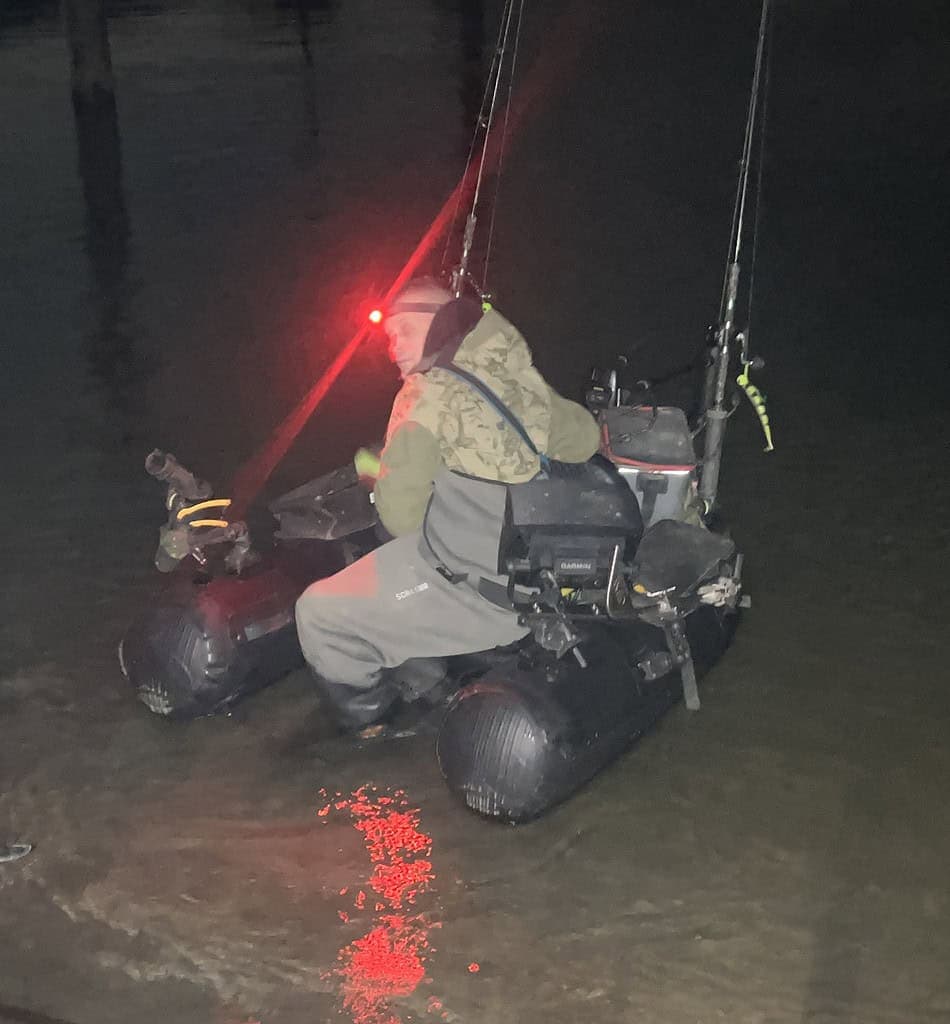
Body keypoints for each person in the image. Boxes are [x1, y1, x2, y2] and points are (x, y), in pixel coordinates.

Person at [294, 278, 600, 731]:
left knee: (318, 613)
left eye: (403, 331)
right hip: (548, 571)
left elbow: (400, 520)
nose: (392, 347)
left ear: (437, 323)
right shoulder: (513, 371)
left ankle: (375, 730)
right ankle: (433, 672)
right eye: (388, 337)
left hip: (489, 593)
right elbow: (586, 439)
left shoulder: (423, 396)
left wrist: (384, 472)